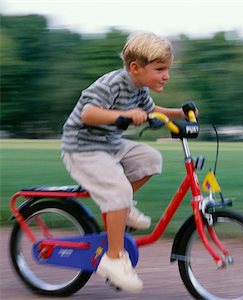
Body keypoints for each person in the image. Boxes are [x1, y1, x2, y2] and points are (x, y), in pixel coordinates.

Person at [61, 32, 186, 292]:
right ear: (135, 68)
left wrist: (180, 113)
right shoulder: (111, 83)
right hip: (82, 149)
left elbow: (153, 111)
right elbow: (89, 113)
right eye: (160, 69)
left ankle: (123, 207)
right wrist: (124, 115)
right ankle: (113, 259)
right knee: (117, 190)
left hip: (111, 146)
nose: (166, 75)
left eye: (167, 69)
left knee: (151, 158)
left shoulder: (139, 89)